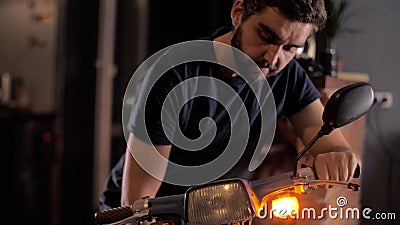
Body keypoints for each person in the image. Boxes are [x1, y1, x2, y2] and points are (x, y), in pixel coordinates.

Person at [98, 0, 360, 222]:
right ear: (238, 13)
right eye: (267, 36)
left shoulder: (287, 75)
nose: (273, 58)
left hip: (218, 214)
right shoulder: (174, 75)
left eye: (291, 48)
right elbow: (137, 206)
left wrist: (339, 158)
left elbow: (336, 149)